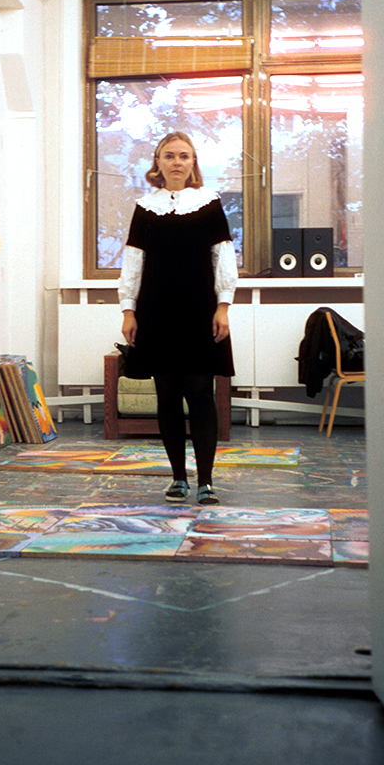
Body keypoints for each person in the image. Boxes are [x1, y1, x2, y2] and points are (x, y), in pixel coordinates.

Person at [118, 132, 238, 505]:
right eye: (169, 156)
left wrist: (224, 305)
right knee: (166, 396)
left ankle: (205, 481)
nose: (176, 162)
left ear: (193, 163)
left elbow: (223, 257)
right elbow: (133, 262)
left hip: (201, 311)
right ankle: (177, 479)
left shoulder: (210, 204)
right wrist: (128, 309)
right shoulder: (144, 207)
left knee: (201, 394)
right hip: (156, 312)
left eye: (184, 156)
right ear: (158, 163)